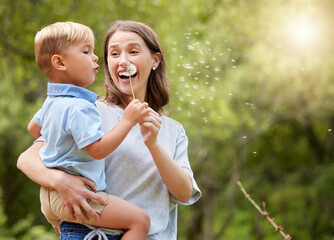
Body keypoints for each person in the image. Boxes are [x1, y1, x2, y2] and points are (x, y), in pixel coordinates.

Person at [17, 20, 202, 240]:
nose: (123, 61)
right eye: (114, 54)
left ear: (155, 60)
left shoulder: (174, 131)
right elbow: (27, 159)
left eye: (133, 51)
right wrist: (59, 181)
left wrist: (153, 144)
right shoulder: (89, 110)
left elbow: (184, 193)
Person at [26, 21, 151, 239]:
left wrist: (60, 144)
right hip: (79, 193)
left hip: (48, 197)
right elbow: (98, 150)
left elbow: (33, 128)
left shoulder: (52, 101)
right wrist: (128, 121)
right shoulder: (81, 107)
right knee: (140, 221)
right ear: (59, 62)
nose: (95, 58)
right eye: (86, 51)